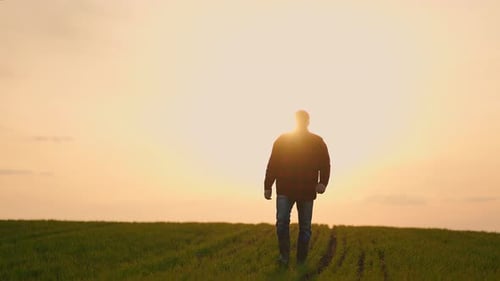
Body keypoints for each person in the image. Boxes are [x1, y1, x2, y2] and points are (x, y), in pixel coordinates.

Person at [264, 110, 331, 266]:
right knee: (281, 223)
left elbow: (325, 164)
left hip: (307, 191)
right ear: (295, 121)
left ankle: (301, 261)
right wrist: (268, 186)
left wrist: (323, 183)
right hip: (284, 189)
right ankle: (284, 257)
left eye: (304, 119)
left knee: (305, 228)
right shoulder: (282, 140)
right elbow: (273, 163)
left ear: (308, 121)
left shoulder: (317, 141)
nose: (301, 122)